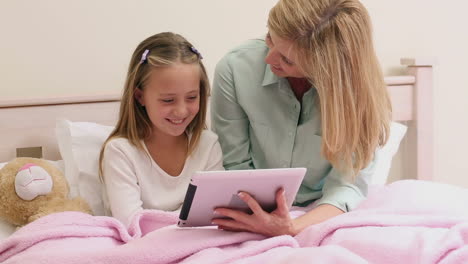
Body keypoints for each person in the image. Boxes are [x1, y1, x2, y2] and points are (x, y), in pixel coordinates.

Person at [211, 0, 392, 236]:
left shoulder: (357, 94)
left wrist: (292, 227)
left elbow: (346, 188)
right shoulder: (235, 69)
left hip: (321, 211)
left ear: (326, 66)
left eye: (287, 60)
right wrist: (262, 218)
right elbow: (235, 165)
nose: (269, 59)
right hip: (253, 208)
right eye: (270, 39)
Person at [99, 32, 224, 226]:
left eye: (192, 97)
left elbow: (217, 211)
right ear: (139, 97)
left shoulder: (208, 144)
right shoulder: (120, 152)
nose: (181, 110)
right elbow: (132, 223)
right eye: (168, 100)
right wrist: (189, 219)